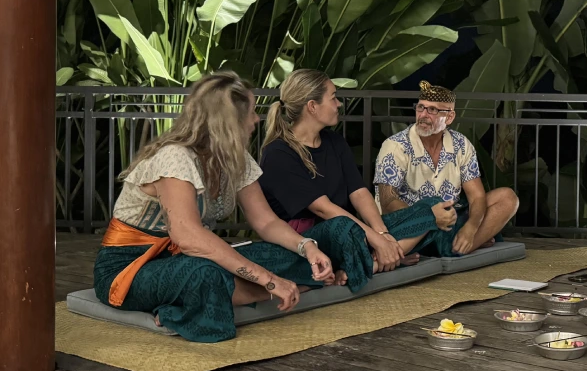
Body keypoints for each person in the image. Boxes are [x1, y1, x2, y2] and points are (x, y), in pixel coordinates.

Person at [93, 72, 343, 343]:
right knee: (205, 275)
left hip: (193, 258)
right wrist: (269, 280)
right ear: (228, 121)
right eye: (250, 112)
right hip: (132, 268)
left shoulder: (236, 158)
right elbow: (188, 237)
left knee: (283, 254)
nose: (256, 120)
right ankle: (287, 288)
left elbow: (266, 222)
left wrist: (306, 247)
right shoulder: (174, 157)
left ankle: (213, 298)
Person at [259, 69, 453, 275]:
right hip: (310, 241)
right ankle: (378, 261)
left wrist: (382, 235)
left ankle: (380, 259)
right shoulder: (278, 153)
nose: (339, 104)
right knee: (343, 228)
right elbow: (323, 209)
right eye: (333, 98)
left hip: (354, 232)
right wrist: (376, 239)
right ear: (312, 106)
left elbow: (359, 192)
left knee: (431, 206)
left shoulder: (334, 142)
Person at [374, 81, 519, 256]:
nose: (423, 115)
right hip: (409, 227)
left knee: (507, 197)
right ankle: (462, 246)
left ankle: (461, 242)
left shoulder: (462, 145)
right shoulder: (395, 146)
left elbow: (477, 196)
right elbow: (388, 201)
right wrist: (428, 216)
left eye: (432, 110)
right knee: (432, 202)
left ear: (449, 117)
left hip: (449, 220)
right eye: (420, 108)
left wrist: (471, 228)